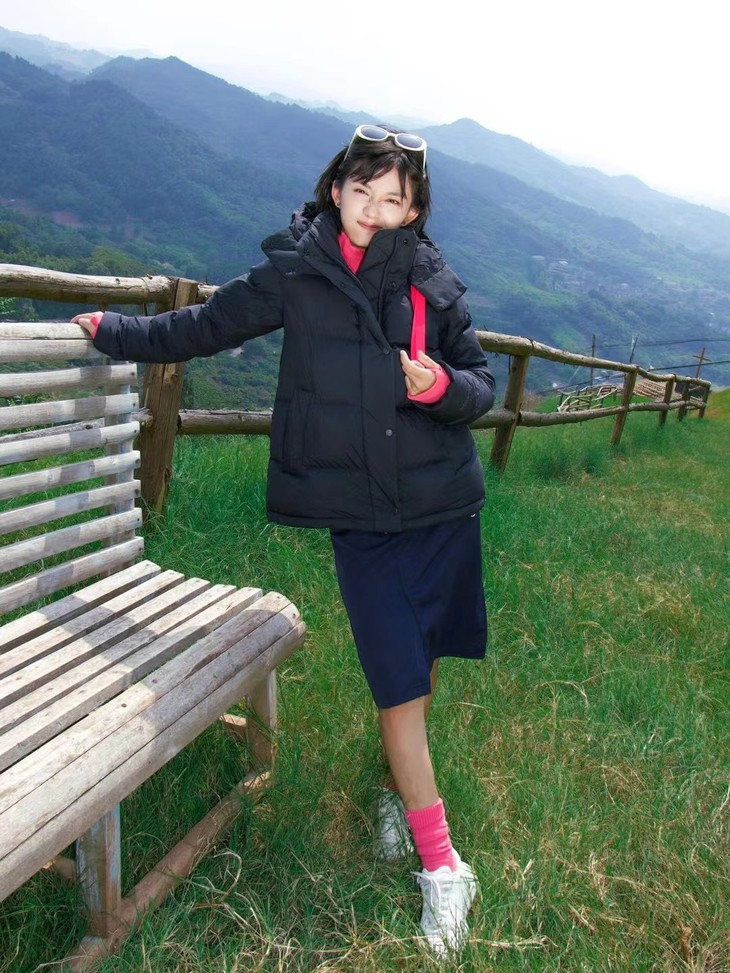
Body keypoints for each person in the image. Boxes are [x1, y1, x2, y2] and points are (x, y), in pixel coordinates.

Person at [73, 123, 496, 959]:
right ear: (335, 189)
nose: (373, 211)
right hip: (365, 522)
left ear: (414, 211)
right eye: (361, 191)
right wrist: (115, 330)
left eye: (393, 200)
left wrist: (439, 385)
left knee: (419, 669)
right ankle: (446, 866)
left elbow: (478, 384)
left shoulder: (431, 280)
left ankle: (399, 796)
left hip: (443, 508)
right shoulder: (300, 274)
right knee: (397, 681)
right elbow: (204, 325)